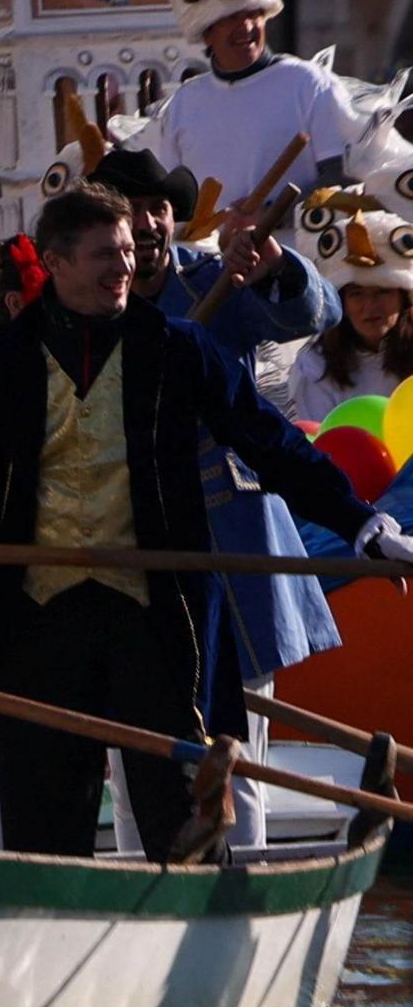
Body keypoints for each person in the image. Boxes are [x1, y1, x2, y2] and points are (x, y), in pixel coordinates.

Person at [0, 184, 413, 855]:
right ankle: (50, 925)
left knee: (177, 805)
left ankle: (193, 924)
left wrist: (361, 524)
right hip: (41, 616)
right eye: (104, 253)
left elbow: (269, 442)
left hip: (154, 612)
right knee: (46, 812)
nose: (124, 267)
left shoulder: (175, 348)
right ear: (56, 262)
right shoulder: (4, 367)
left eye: (128, 252)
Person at [100, 146, 347, 718]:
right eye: (130, 208)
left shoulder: (216, 279)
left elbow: (319, 314)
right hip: (129, 536)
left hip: (229, 536)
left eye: (157, 207)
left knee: (240, 769)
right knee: (141, 763)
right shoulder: (83, 309)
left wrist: (277, 268)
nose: (146, 223)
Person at [146, 0, 368, 224]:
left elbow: (342, 177)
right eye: (231, 18)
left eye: (253, 14)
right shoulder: (183, 104)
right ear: (207, 34)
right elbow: (172, 200)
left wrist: (269, 215)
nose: (247, 27)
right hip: (215, 263)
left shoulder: (308, 82)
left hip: (295, 262)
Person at [282, 192, 413, 423]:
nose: (370, 306)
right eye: (356, 294)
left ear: (404, 298)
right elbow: (318, 440)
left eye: (383, 292)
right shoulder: (317, 367)